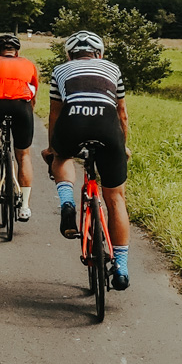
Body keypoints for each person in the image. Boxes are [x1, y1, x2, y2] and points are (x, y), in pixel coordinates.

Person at [46, 29, 131, 290]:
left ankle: (68, 203)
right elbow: (122, 114)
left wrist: (52, 149)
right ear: (100, 53)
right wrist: (123, 147)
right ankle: (122, 268)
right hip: (107, 127)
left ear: (70, 54)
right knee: (115, 198)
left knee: (62, 157)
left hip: (73, 123)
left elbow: (54, 115)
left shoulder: (60, 70)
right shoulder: (113, 68)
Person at [0, 31, 39, 221]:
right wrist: (28, 113)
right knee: (24, 155)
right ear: (17, 52)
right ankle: (25, 207)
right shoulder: (29, 65)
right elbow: (33, 95)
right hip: (22, 106)